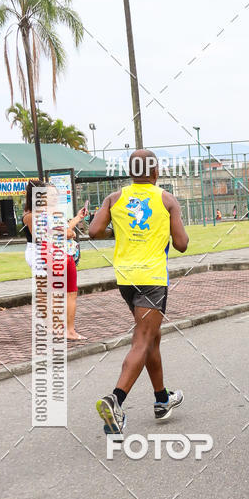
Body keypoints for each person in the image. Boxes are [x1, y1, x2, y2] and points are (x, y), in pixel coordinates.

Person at [89, 150, 189, 435]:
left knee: (151, 339)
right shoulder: (166, 199)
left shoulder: (114, 198)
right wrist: (170, 227)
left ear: (131, 172)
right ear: (155, 172)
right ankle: (115, 400)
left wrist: (118, 232)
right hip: (152, 278)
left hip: (125, 279)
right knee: (143, 340)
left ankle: (161, 399)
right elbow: (181, 244)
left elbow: (95, 231)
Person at [22, 180, 87, 340]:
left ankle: (58, 329)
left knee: (59, 292)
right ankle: (61, 330)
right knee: (55, 292)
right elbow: (48, 235)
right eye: (51, 194)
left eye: (55, 194)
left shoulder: (48, 213)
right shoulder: (34, 215)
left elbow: (62, 230)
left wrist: (78, 218)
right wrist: (68, 234)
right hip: (47, 254)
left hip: (54, 254)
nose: (55, 197)